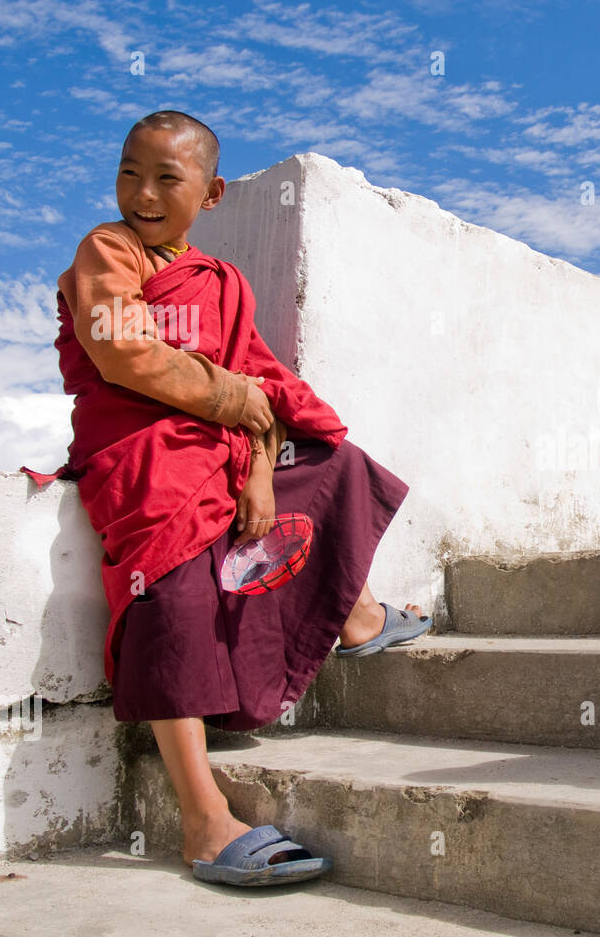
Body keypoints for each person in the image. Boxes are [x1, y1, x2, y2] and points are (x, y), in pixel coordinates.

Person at [22, 111, 431, 885]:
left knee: (335, 465)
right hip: (137, 452)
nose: (142, 194)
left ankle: (359, 616)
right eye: (128, 173)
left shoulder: (223, 281)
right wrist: (241, 406)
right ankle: (205, 820)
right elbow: (123, 352)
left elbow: (259, 374)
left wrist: (264, 458)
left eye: (166, 179)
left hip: (220, 444)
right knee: (168, 579)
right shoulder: (107, 251)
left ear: (208, 194)